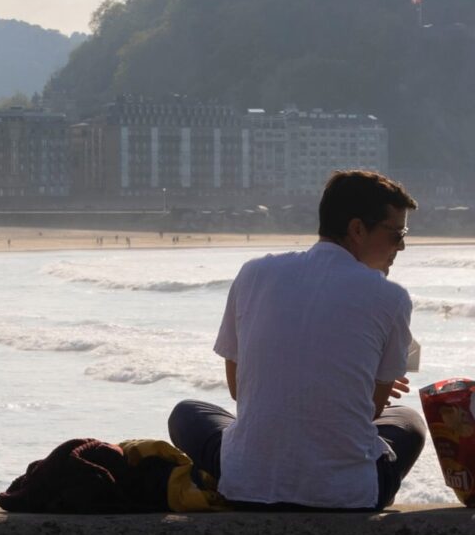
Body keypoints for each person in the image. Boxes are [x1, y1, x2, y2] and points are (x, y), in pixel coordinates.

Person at [167, 170, 427, 511]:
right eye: (397, 234)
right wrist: (358, 388)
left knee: (187, 413)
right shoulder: (391, 297)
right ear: (358, 229)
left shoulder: (254, 273)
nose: (402, 246)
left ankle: (253, 460)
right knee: (409, 421)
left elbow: (238, 388)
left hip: (247, 482)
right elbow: (372, 411)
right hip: (346, 494)